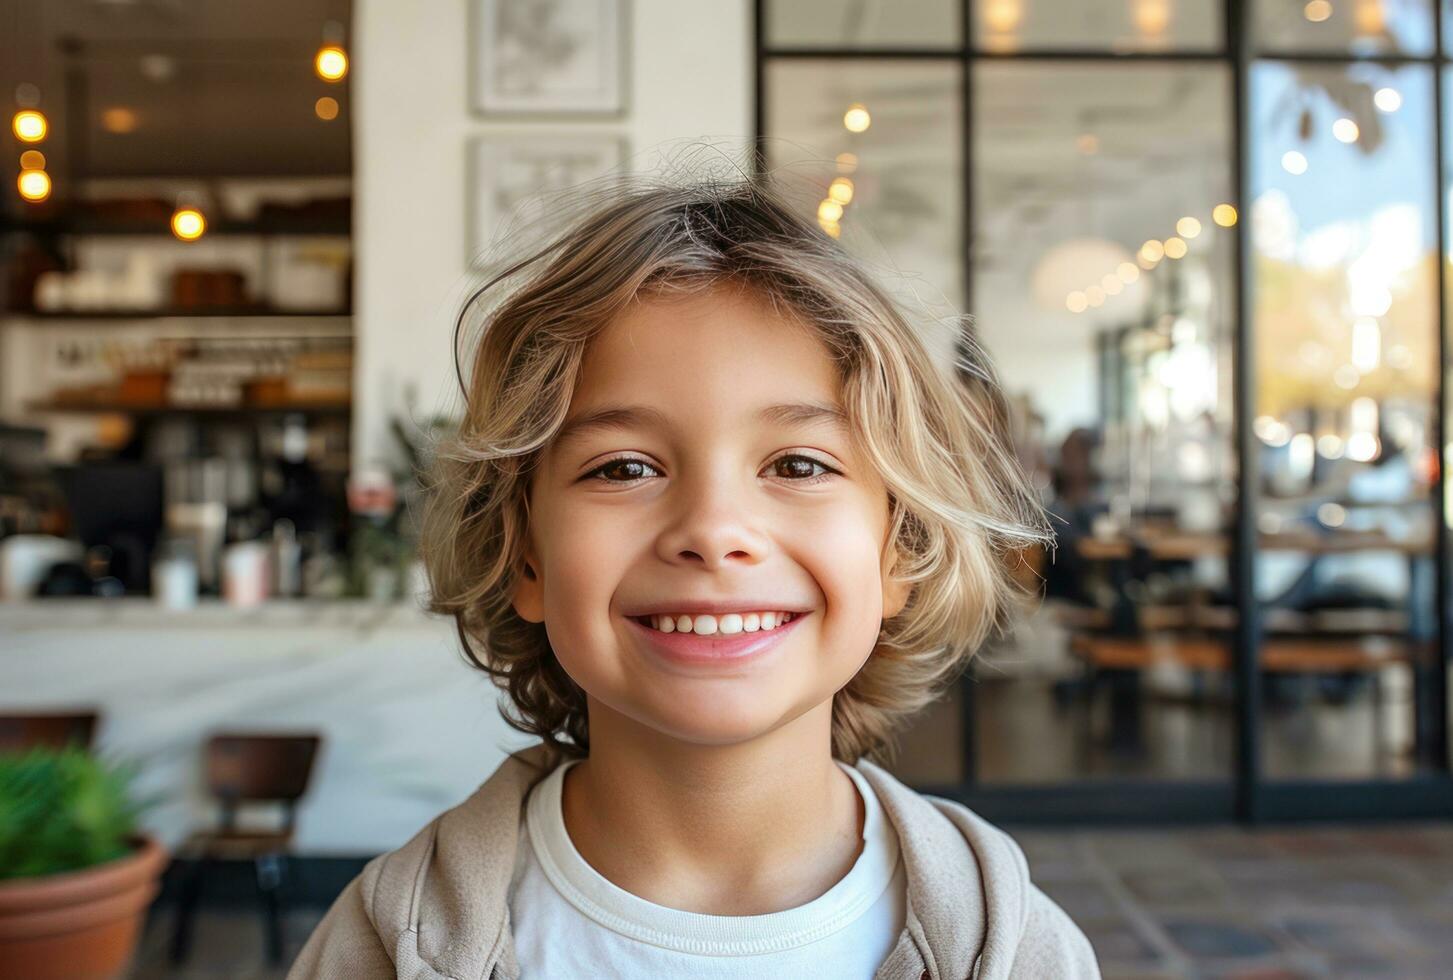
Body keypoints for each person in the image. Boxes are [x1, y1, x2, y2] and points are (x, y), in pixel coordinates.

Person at [288, 174, 1100, 979]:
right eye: (624, 468)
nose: (712, 533)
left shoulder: (1020, 950)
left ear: (899, 551)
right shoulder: (381, 944)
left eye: (797, 463)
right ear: (524, 554)